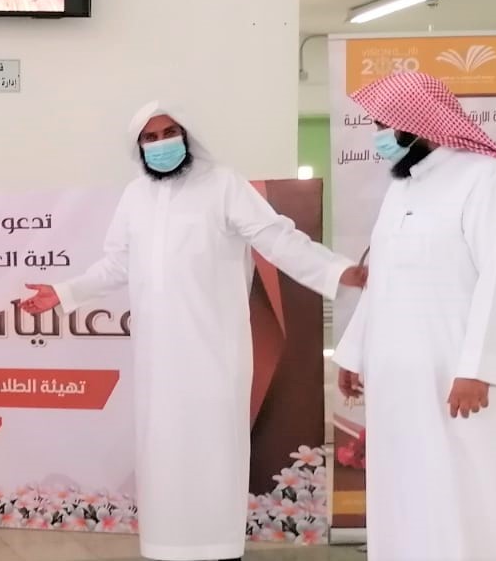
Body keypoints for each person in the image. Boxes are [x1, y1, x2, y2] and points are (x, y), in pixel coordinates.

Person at [21, 102, 365, 561]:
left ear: (186, 136)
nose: (162, 143)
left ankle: (220, 549)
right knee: (163, 455)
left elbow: (276, 237)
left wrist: (337, 271)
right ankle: (164, 548)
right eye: (150, 138)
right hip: (158, 360)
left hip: (215, 354)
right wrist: (65, 291)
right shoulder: (135, 197)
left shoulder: (223, 185)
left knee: (213, 453)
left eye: (170, 133)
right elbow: (116, 264)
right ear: (138, 147)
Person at [332, 72, 496, 560]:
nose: (378, 134)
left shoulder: (487, 179)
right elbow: (383, 277)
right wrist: (354, 353)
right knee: (410, 494)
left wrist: (478, 368)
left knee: (472, 494)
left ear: (418, 122)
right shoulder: (404, 189)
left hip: (464, 384)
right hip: (403, 383)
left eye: (384, 123)